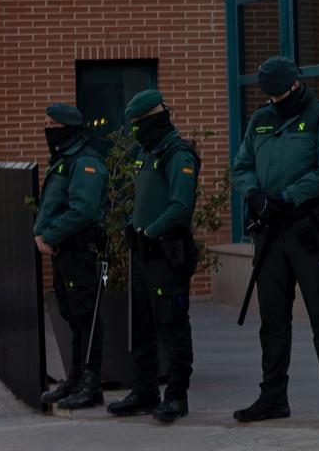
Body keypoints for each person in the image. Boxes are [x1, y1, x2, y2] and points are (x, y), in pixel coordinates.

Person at [229, 56, 319, 425]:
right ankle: (272, 398)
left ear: (295, 85)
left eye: (278, 93)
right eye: (268, 95)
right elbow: (241, 166)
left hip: (310, 232)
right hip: (270, 235)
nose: (273, 100)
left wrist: (287, 197)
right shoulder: (261, 120)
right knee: (272, 322)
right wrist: (253, 196)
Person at [106, 90, 201, 424]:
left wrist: (150, 231)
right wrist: (133, 226)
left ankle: (176, 396)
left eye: (137, 123)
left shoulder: (178, 155)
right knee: (142, 326)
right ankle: (145, 391)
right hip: (143, 255)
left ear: (153, 118)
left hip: (166, 254)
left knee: (172, 327)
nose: (134, 130)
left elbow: (181, 207)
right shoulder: (147, 153)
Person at [34, 103, 110, 411]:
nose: (47, 128)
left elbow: (83, 209)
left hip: (79, 249)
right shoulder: (65, 160)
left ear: (66, 128)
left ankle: (91, 384)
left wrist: (50, 235)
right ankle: (75, 378)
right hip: (64, 251)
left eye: (52, 124)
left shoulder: (85, 163)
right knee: (73, 315)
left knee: (86, 316)